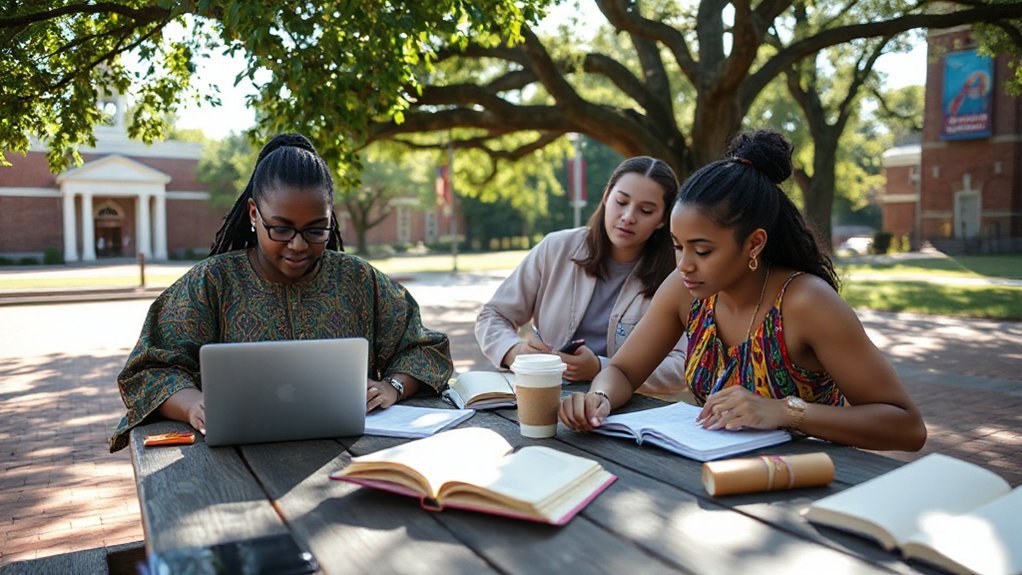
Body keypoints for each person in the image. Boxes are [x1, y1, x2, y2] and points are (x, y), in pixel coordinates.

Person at [559, 130, 927, 451]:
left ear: (754, 244)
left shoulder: (806, 303)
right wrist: (599, 398)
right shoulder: (685, 291)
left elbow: (907, 428)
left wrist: (785, 412)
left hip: (814, 476)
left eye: (702, 250)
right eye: (677, 245)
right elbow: (622, 371)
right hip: (712, 471)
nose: (684, 264)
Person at [108, 134, 453, 452]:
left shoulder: (359, 280)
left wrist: (393, 385)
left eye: (317, 229)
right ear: (255, 214)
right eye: (282, 228)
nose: (299, 244)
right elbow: (148, 370)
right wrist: (193, 404)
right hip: (234, 466)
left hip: (349, 456)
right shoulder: (211, 283)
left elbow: (425, 349)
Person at [475, 156, 689, 399]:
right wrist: (514, 352)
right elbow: (492, 315)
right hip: (541, 394)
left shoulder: (675, 275)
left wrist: (600, 368)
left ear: (663, 219)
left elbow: (681, 366)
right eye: (621, 202)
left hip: (624, 407)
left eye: (646, 210)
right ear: (606, 197)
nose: (628, 216)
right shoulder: (556, 248)